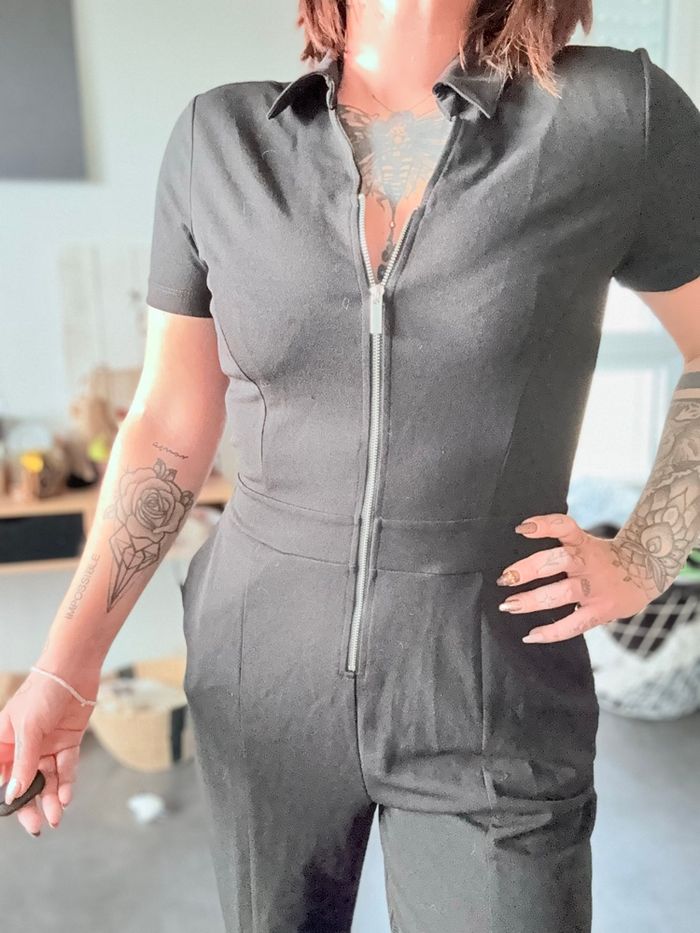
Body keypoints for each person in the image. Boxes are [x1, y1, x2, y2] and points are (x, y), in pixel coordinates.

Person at [2, 1, 699, 930]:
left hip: (491, 686)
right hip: (260, 672)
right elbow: (169, 421)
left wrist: (650, 551)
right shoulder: (222, 139)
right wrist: (64, 665)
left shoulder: (613, 116)